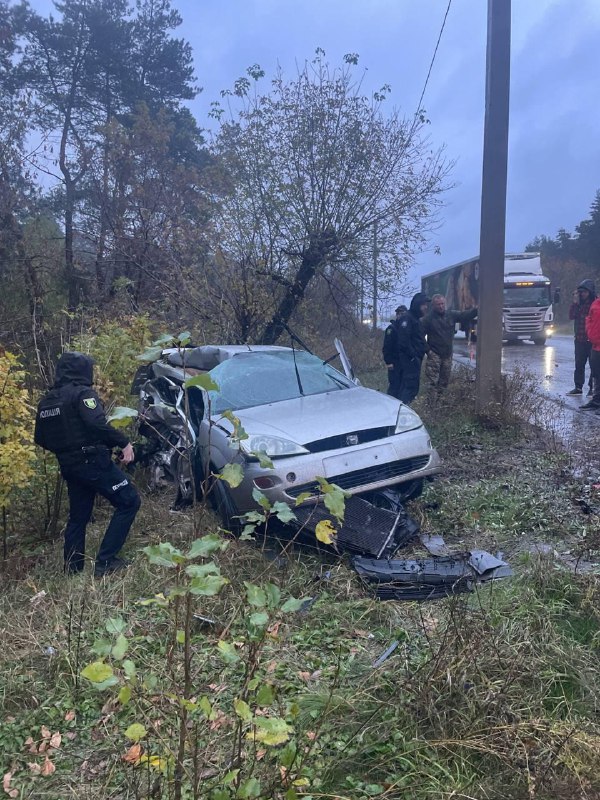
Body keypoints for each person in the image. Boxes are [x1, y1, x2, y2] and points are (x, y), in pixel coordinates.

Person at [34, 351, 140, 576]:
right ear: (82, 370)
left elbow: (40, 438)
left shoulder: (47, 401)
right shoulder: (82, 394)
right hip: (92, 462)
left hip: (70, 467)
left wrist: (67, 452)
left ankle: (72, 571)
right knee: (129, 501)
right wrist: (124, 443)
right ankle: (105, 561)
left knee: (78, 517)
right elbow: (96, 425)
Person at [422, 294, 478, 398]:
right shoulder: (428, 319)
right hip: (434, 354)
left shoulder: (451, 314)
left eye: (442, 304)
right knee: (432, 383)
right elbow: (419, 337)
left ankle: (441, 403)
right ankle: (431, 407)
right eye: (438, 304)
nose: (441, 306)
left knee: (444, 382)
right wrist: (428, 351)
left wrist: (476, 310)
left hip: (447, 354)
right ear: (433, 305)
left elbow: (464, 315)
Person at [394, 292, 430, 404]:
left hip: (414, 360)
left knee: (413, 388)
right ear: (418, 304)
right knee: (408, 388)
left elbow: (419, 339)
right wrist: (413, 356)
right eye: (424, 304)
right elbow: (403, 341)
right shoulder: (407, 319)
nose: (426, 307)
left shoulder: (415, 319)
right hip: (409, 361)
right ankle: (403, 412)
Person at [567, 279, 596, 396]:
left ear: (589, 292)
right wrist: (574, 303)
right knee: (579, 364)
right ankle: (578, 387)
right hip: (579, 339)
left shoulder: (594, 303)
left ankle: (592, 388)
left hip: (592, 340)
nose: (582, 294)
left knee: (594, 366)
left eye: (584, 292)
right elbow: (571, 316)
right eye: (580, 292)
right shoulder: (578, 304)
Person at [382, 305, 408, 398]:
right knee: (394, 387)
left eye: (403, 314)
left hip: (404, 363)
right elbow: (387, 347)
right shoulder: (391, 329)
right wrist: (388, 362)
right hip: (394, 363)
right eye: (399, 314)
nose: (401, 316)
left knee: (404, 387)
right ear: (397, 315)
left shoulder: (407, 328)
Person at [581, 296, 600, 410]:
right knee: (596, 374)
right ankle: (597, 400)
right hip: (595, 346)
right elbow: (590, 319)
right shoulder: (596, 303)